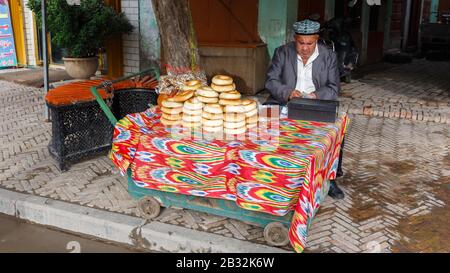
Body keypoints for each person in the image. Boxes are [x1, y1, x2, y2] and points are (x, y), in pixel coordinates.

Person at [264, 19, 345, 199]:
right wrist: (288, 92)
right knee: (264, 119)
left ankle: (330, 178)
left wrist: (315, 95)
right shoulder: (282, 52)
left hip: (314, 101)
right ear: (295, 39)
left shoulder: (328, 56)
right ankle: (268, 169)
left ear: (317, 39)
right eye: (301, 43)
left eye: (310, 43)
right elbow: (271, 81)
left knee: (336, 131)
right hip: (284, 100)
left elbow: (333, 88)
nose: (305, 48)